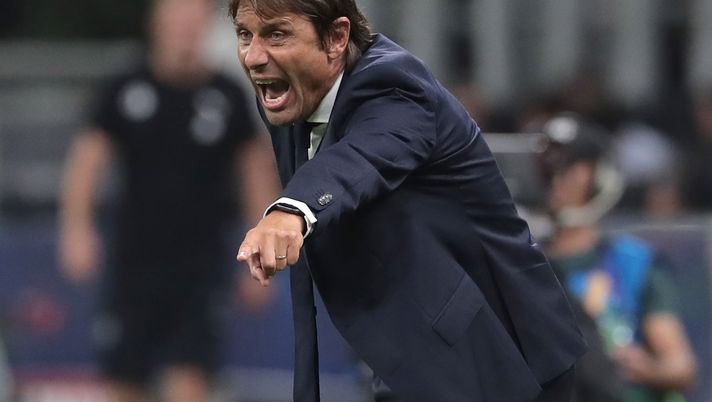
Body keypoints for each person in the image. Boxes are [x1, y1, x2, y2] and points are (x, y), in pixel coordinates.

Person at [230, 1, 586, 401]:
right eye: (245, 34)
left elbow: (360, 159)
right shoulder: (289, 94)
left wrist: (291, 210)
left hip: (499, 356)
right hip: (412, 354)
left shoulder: (394, 86)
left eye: (277, 34)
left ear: (336, 37)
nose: (253, 56)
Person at [58, 0, 280, 401]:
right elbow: (87, 162)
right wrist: (77, 230)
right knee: (125, 380)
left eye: (194, 19)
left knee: (190, 380)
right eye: (176, 17)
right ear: (156, 23)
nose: (184, 28)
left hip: (200, 266)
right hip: (133, 264)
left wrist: (264, 252)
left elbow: (255, 172)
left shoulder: (226, 95)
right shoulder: (125, 87)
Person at [539, 113, 696, 402]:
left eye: (568, 167)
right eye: (545, 168)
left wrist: (644, 368)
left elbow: (681, 366)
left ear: (598, 177)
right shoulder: (519, 262)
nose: (555, 180)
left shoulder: (633, 263)